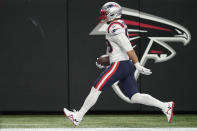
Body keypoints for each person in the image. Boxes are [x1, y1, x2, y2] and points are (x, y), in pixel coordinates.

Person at [63, 2, 174, 126]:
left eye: (105, 13)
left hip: (120, 65)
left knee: (96, 88)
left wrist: (137, 64)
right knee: (134, 96)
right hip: (125, 64)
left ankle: (78, 117)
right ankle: (165, 106)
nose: (103, 15)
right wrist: (108, 59)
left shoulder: (114, 26)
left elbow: (127, 46)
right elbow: (120, 49)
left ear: (113, 13)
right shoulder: (117, 24)